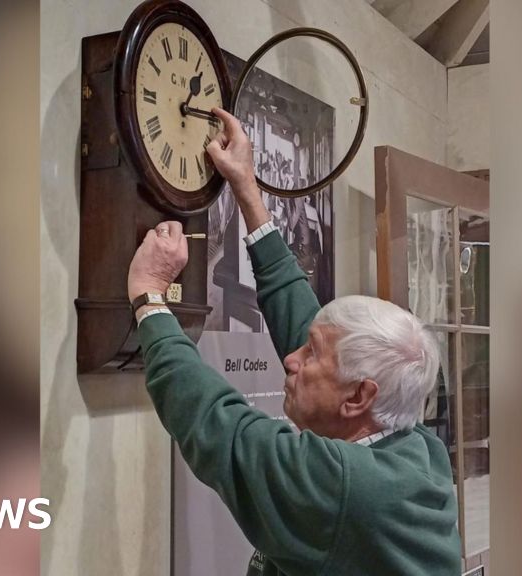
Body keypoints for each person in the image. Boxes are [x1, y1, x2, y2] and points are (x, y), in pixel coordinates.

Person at [127, 108, 460, 576]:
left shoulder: (343, 487)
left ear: (360, 396)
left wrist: (149, 296)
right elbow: (303, 318)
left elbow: (215, 425)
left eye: (312, 355)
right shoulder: (414, 446)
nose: (290, 358)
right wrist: (246, 188)